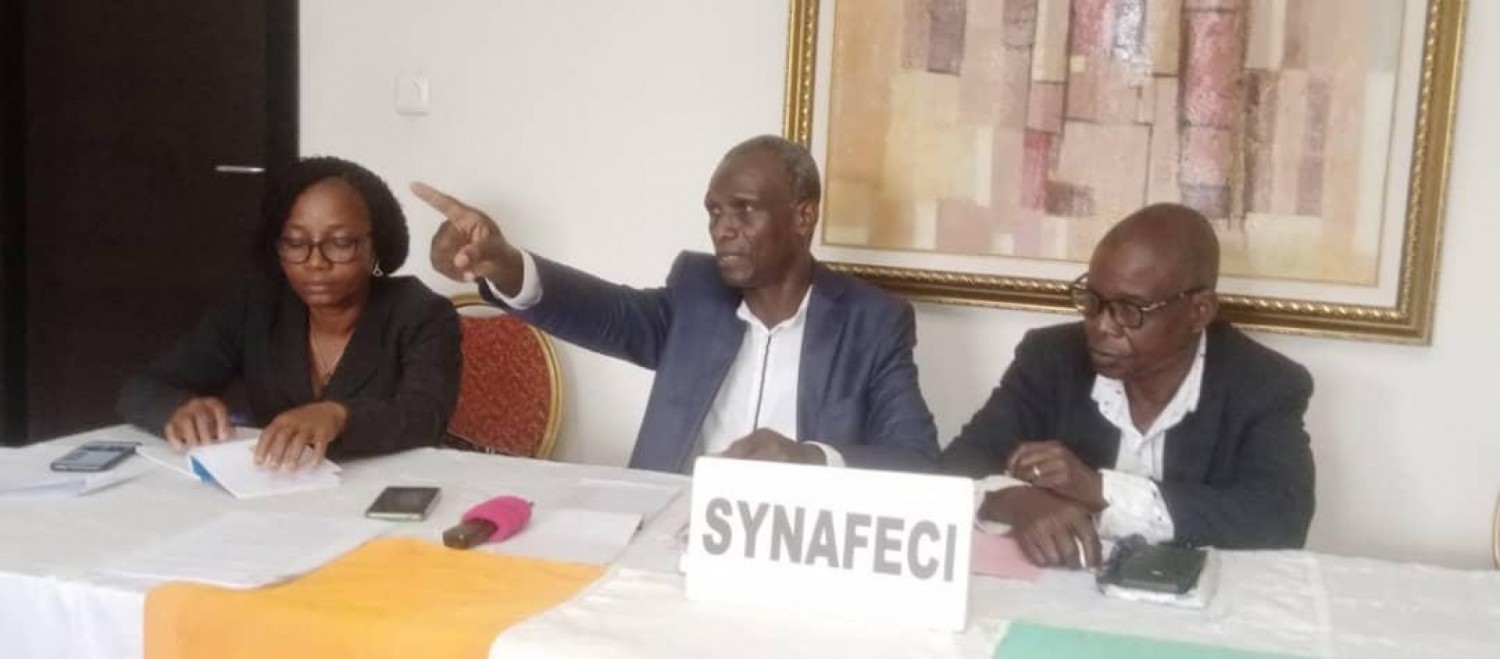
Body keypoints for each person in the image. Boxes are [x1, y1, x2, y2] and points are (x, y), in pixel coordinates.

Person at [414, 135, 938, 474]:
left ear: (803, 217)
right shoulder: (698, 294)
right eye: (714, 212)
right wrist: (505, 264)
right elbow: (607, 314)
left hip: (797, 545)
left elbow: (917, 460)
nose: (723, 228)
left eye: (744, 210)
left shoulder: (871, 323)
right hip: (671, 531)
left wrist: (809, 458)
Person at [941, 203, 1315, 568]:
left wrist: (1101, 492)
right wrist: (1016, 503)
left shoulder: (1263, 384)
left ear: (1199, 311)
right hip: (1070, 589)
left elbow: (1280, 519)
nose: (1101, 326)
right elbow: (951, 473)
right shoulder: (1052, 359)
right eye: (1092, 301)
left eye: (1129, 310)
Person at [118, 156, 462, 470]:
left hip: (385, 488)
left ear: (377, 247)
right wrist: (175, 408)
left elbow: (425, 416)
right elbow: (142, 387)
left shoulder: (421, 312)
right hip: (280, 487)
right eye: (296, 243)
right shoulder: (255, 306)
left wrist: (340, 417)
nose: (315, 262)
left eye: (340, 243)